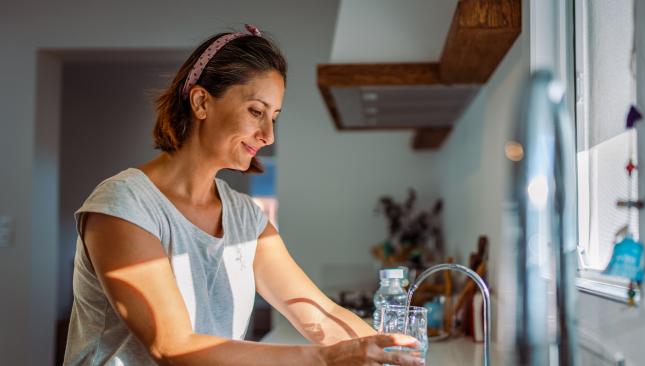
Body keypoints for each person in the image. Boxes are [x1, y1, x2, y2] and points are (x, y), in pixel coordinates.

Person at [63, 24, 424, 366]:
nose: (268, 135)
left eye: (274, 117)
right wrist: (325, 359)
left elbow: (319, 313)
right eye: (256, 111)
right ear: (201, 102)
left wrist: (392, 355)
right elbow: (172, 347)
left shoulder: (244, 217)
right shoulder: (123, 205)